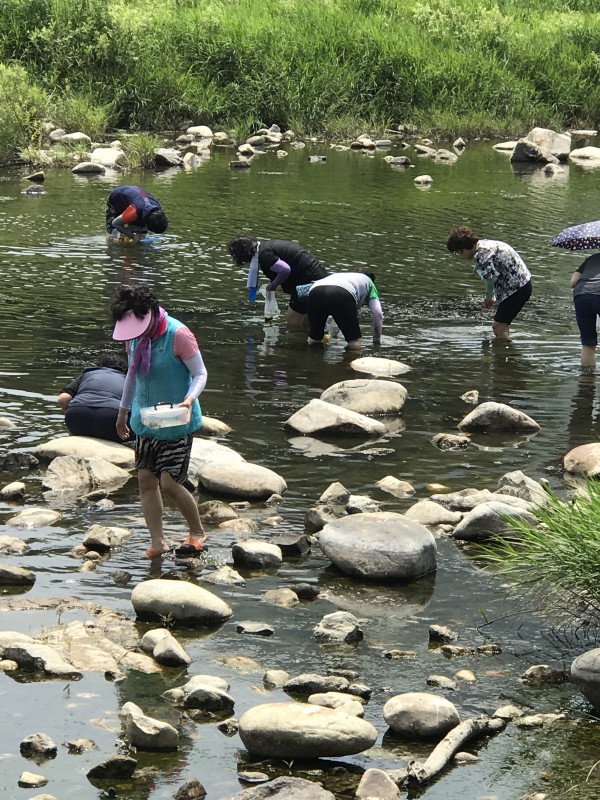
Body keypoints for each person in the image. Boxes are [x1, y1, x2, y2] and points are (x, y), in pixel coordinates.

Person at [110, 284, 207, 559]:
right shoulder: (135, 338)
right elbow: (131, 375)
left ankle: (197, 532)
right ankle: (158, 541)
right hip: (146, 419)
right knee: (145, 480)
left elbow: (200, 373)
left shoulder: (179, 334)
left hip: (177, 418)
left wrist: (190, 398)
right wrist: (123, 412)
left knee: (170, 482)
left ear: (150, 313)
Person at [445, 226, 532, 339]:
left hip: (517, 289)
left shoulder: (482, 255)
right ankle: (505, 351)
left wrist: (489, 297)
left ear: (463, 248)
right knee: (502, 324)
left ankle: (503, 354)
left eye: (458, 253)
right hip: (521, 284)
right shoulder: (484, 244)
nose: (460, 256)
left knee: (498, 326)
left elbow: (491, 278)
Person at [227, 235, 329, 328]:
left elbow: (285, 269)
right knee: (308, 321)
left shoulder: (264, 255)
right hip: (318, 277)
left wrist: (273, 285)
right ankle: (311, 343)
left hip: (308, 283)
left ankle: (298, 345)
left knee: (293, 322)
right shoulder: (265, 247)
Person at [57, 353, 133, 444]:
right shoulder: (128, 378)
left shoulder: (89, 373)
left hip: (77, 415)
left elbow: (63, 398)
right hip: (113, 419)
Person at [305, 272, 383, 349]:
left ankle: (311, 359)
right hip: (342, 293)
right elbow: (377, 313)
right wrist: (376, 342)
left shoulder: (343, 276)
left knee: (314, 339)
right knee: (354, 341)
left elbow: (336, 313)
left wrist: (331, 334)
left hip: (314, 291)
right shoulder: (370, 283)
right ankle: (351, 359)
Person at [570, 252, 600, 369]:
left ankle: (587, 380)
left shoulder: (591, 258)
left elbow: (573, 282)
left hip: (581, 295)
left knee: (588, 343)